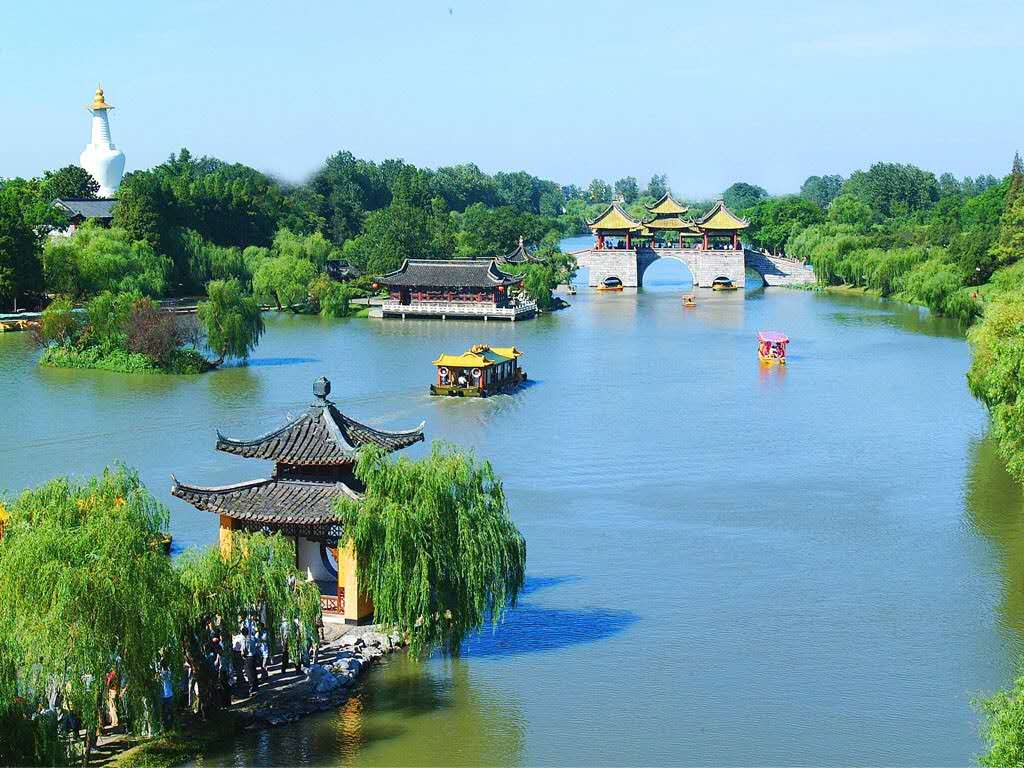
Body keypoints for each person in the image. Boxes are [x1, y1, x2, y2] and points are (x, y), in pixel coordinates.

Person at [158, 662, 174, 730]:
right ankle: (170, 725)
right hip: (169, 694)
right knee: (169, 711)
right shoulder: (170, 673)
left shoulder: (160, 675)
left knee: (163, 712)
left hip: (163, 695)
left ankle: (165, 726)